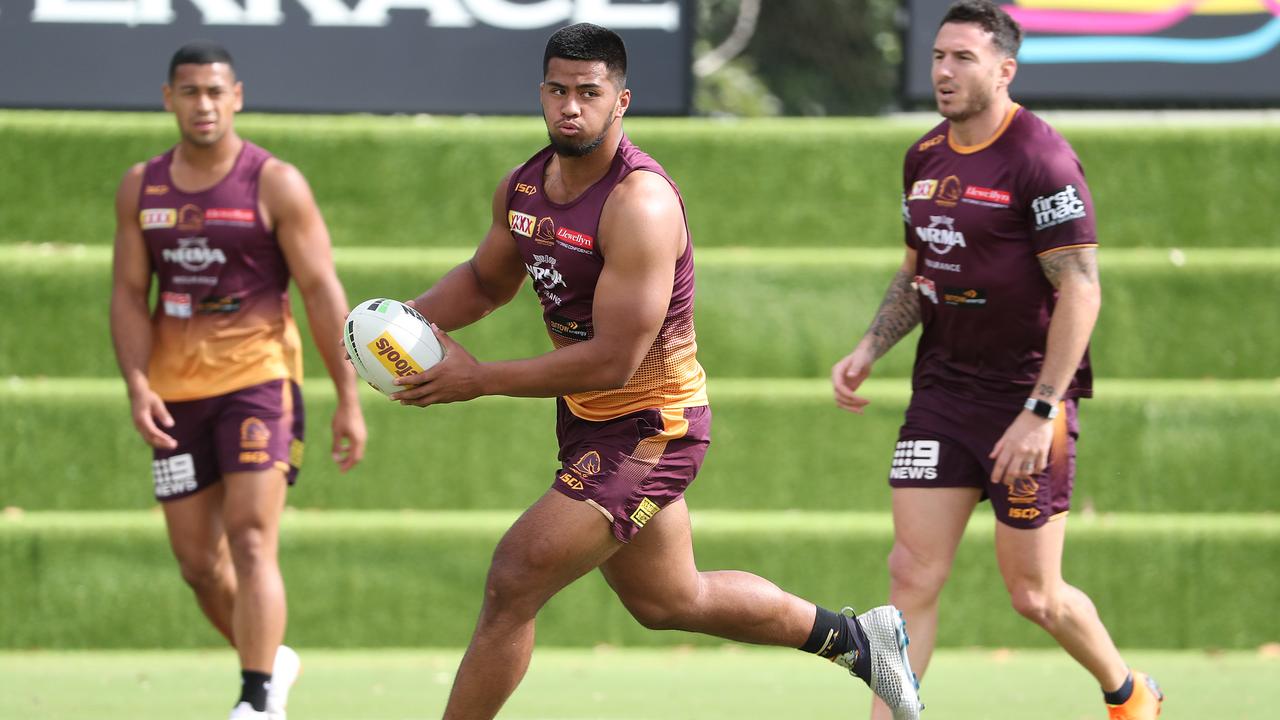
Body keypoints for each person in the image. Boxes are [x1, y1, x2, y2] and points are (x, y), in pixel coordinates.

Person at [391, 22, 923, 720]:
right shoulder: (525, 187)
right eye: (557, 90)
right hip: (590, 421)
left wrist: (478, 377)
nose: (570, 107)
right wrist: (400, 321)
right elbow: (486, 284)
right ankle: (858, 640)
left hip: (651, 428)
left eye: (589, 92)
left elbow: (616, 359)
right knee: (671, 599)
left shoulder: (639, 204)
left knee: (513, 580)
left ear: (622, 101)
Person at [830, 2, 1163, 719]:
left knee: (1034, 596)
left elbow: (1080, 288)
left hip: (1025, 400)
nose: (945, 72)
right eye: (938, 57)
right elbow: (921, 271)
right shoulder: (922, 156)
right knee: (909, 575)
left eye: (964, 59)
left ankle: (1130, 693)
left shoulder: (1041, 159)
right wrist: (869, 347)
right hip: (942, 396)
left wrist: (1042, 410)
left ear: (1005, 70)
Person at [109, 41, 367, 720]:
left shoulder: (275, 182)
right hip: (174, 392)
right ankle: (272, 661)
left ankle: (257, 700)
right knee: (198, 563)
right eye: (190, 92)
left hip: (259, 382)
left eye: (215, 92)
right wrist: (137, 383)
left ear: (238, 97)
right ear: (169, 99)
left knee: (252, 538)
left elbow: (320, 291)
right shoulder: (142, 186)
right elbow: (129, 293)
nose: (204, 104)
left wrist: (347, 397)